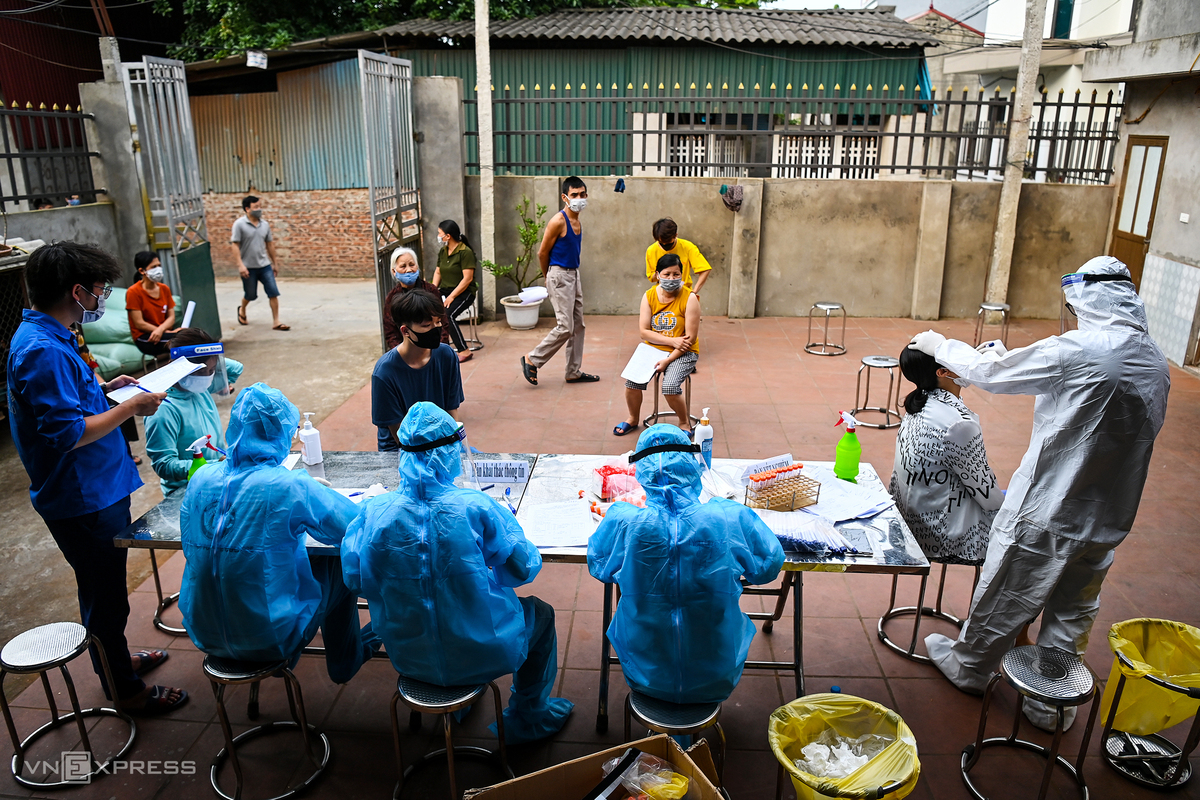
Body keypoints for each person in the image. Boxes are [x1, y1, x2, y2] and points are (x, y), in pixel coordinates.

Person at [910, 255, 1170, 731]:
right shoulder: (1154, 360)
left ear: (1087, 299)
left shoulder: (1083, 348)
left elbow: (994, 376)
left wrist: (940, 345)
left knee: (1007, 592)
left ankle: (970, 667)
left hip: (1049, 507)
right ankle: (1050, 703)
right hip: (1108, 517)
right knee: (1073, 610)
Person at [8, 242, 185, 715]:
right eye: (102, 289)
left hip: (98, 485)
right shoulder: (42, 350)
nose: (104, 297)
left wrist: (109, 390)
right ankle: (124, 689)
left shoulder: (55, 335)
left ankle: (117, 660)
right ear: (78, 290)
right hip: (82, 496)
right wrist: (130, 407)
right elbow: (66, 433)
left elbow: (70, 403)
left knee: (104, 589)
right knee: (105, 596)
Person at [342, 402, 573, 743]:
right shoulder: (474, 507)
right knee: (540, 613)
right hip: (481, 649)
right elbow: (522, 569)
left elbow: (357, 580)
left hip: (409, 654)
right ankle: (530, 715)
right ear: (448, 452)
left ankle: (456, 701)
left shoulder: (374, 511)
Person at [179, 383, 378, 683]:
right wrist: (376, 500)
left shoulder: (201, 478)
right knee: (339, 562)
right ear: (282, 433)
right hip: (268, 636)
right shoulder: (288, 486)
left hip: (203, 630)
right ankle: (347, 660)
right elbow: (352, 525)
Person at [588, 425, 784, 704]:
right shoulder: (729, 518)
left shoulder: (623, 521)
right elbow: (769, 566)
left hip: (645, 672)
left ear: (641, 472)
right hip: (717, 672)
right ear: (692, 467)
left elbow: (599, 566)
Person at [889, 346, 1003, 566]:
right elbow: (985, 492)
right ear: (943, 373)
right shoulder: (958, 423)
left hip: (907, 517)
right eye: (957, 358)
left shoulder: (920, 402)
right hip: (940, 533)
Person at [144, 328, 244, 495]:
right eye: (199, 371)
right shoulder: (163, 409)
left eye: (211, 371)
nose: (206, 377)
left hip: (217, 478)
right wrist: (214, 464)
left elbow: (236, 369)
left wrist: (209, 351)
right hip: (187, 490)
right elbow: (164, 465)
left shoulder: (199, 388)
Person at [520, 176, 599, 386]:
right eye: (574, 195)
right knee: (565, 326)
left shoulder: (577, 220)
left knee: (578, 325)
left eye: (582, 194)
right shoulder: (559, 220)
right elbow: (542, 252)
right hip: (560, 275)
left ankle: (573, 371)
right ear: (565, 197)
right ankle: (532, 359)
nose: (579, 198)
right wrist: (549, 277)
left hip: (573, 274)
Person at [615, 254, 700, 437]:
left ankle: (684, 423)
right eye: (667, 274)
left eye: (676, 274)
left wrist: (668, 359)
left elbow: (689, 339)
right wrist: (671, 340)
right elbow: (644, 332)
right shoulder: (649, 296)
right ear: (657, 275)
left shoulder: (690, 298)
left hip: (684, 352)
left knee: (669, 387)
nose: (671, 279)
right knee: (631, 384)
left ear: (682, 275)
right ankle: (632, 419)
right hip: (653, 348)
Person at [372, 289, 463, 452]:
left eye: (438, 322)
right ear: (406, 331)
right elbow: (399, 436)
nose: (436, 329)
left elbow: (452, 411)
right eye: (427, 325)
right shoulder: (385, 373)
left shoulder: (446, 356)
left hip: (441, 439)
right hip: (403, 449)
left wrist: (455, 443)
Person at [231, 195, 288, 331]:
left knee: (273, 292)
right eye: (255, 207)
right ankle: (242, 309)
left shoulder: (265, 225)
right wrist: (240, 265)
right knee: (251, 295)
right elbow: (235, 245)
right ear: (247, 209)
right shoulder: (239, 224)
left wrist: (275, 263)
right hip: (248, 267)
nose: (259, 209)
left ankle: (276, 321)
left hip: (264, 265)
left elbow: (269, 244)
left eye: (260, 206)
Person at [382, 247, 448, 350]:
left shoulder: (430, 290)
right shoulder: (393, 298)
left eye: (412, 265)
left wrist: (439, 348)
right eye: (403, 266)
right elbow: (390, 332)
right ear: (394, 271)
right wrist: (402, 354)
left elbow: (443, 322)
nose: (409, 270)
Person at [431, 220, 477, 363]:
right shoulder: (443, 251)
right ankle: (436, 348)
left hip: (464, 292)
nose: (438, 236)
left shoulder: (465, 252)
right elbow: (438, 272)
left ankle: (464, 350)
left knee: (447, 315)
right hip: (446, 289)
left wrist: (451, 297)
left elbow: (467, 279)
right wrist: (432, 290)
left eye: (440, 233)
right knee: (429, 310)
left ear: (448, 236)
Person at [126, 251, 180, 357]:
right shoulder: (133, 292)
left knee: (190, 336)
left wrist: (162, 330)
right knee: (182, 342)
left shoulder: (164, 289)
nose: (158, 269)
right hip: (146, 337)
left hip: (163, 333)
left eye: (159, 265)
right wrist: (161, 331)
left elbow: (171, 317)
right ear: (142, 271)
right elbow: (139, 323)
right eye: (153, 267)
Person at [644, 218, 713, 297]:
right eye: (661, 243)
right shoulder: (651, 250)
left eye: (668, 243)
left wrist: (694, 292)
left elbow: (705, 269)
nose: (664, 245)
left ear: (676, 235)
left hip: (683, 293)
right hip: (661, 294)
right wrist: (663, 274)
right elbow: (651, 278)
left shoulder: (688, 247)